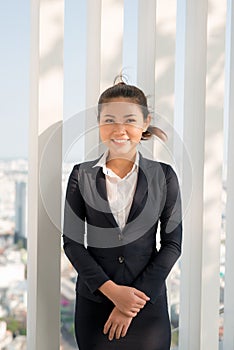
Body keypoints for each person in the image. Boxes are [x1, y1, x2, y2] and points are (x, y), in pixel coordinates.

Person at [63, 80, 182, 350]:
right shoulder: (81, 175)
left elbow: (173, 244)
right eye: (109, 120)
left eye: (129, 119)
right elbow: (71, 243)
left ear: (145, 122)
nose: (119, 129)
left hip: (147, 307)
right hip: (96, 304)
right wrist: (114, 293)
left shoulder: (164, 176)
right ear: (98, 124)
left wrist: (130, 303)